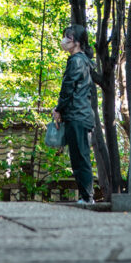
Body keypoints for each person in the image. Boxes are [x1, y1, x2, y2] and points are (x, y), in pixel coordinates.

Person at [52, 23, 95, 205]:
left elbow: (68, 88)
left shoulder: (76, 61)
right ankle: (87, 197)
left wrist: (59, 109)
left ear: (76, 42)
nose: (64, 41)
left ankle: (87, 197)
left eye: (67, 37)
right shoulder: (84, 60)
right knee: (80, 156)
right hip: (82, 114)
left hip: (76, 115)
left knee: (79, 157)